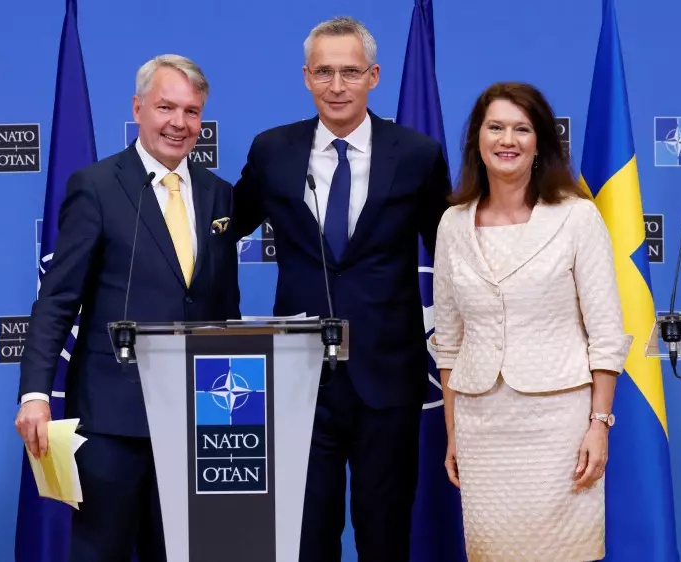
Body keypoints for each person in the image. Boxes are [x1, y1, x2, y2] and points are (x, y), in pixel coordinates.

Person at [230, 16, 452, 561]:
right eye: (323, 72)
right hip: (299, 379)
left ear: (373, 76)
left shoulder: (417, 153)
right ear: (306, 76)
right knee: (308, 538)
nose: (336, 86)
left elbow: (452, 255)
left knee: (385, 538)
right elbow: (220, 231)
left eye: (350, 72)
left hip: (388, 378)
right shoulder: (272, 150)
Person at [15, 55, 240, 562]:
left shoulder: (219, 195)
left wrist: (232, 409)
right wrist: (34, 394)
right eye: (166, 107)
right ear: (138, 109)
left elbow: (224, 308)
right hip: (111, 420)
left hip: (197, 419)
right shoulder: (95, 187)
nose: (179, 123)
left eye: (191, 111)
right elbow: (57, 301)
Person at [431, 81, 632, 561]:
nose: (508, 140)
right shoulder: (452, 224)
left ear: (540, 141)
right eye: (495, 127)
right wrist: (454, 433)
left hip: (559, 427)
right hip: (481, 427)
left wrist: (599, 424)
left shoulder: (577, 218)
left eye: (521, 129)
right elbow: (449, 343)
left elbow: (606, 333)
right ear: (477, 139)